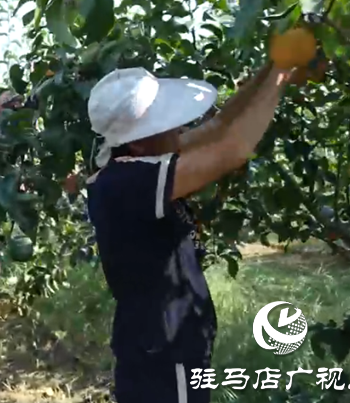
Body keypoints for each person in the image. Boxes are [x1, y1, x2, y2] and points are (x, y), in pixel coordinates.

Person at [85, 62, 293, 403]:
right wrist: (283, 73)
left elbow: (220, 127)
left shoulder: (137, 164)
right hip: (163, 353)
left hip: (169, 343)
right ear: (137, 145)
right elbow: (233, 149)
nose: (179, 129)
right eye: (167, 124)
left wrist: (272, 68)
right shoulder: (126, 184)